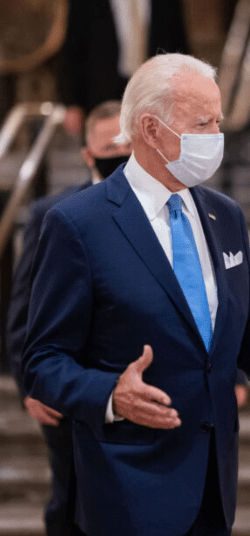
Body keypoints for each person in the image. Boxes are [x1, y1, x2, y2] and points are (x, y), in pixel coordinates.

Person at [21, 53, 250, 536]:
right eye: (202, 123)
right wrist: (110, 394)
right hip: (127, 490)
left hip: (214, 487)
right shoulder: (77, 223)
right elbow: (43, 361)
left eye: (218, 121)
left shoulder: (225, 215)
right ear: (151, 129)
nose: (216, 136)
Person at [7, 100, 131, 536]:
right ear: (87, 154)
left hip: (141, 382)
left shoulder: (168, 208)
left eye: (127, 145)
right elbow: (25, 308)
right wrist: (31, 384)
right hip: (70, 387)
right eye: (109, 148)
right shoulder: (52, 213)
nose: (120, 155)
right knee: (71, 503)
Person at [58, 0, 188, 136]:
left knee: (154, 142)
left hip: (155, 89)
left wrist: (185, 93)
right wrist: (71, 103)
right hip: (102, 91)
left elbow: (179, 43)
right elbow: (72, 49)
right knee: (107, 143)